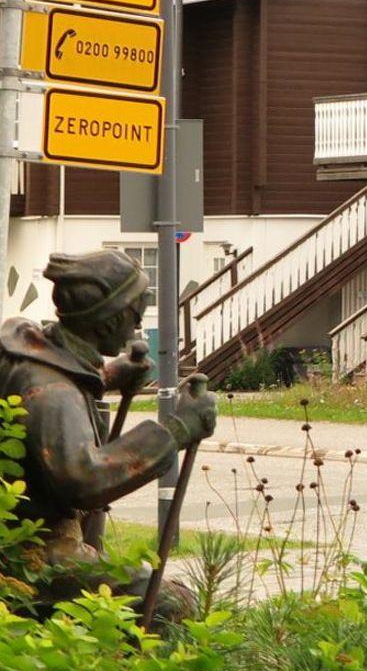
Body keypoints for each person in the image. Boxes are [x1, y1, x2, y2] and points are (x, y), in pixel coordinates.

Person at [0, 248, 216, 601]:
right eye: (134, 315)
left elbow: (65, 376)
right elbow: (84, 478)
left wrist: (107, 375)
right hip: (35, 553)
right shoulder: (52, 393)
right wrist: (177, 430)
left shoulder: (28, 355)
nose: (137, 327)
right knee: (172, 603)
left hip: (18, 532)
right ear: (107, 321)